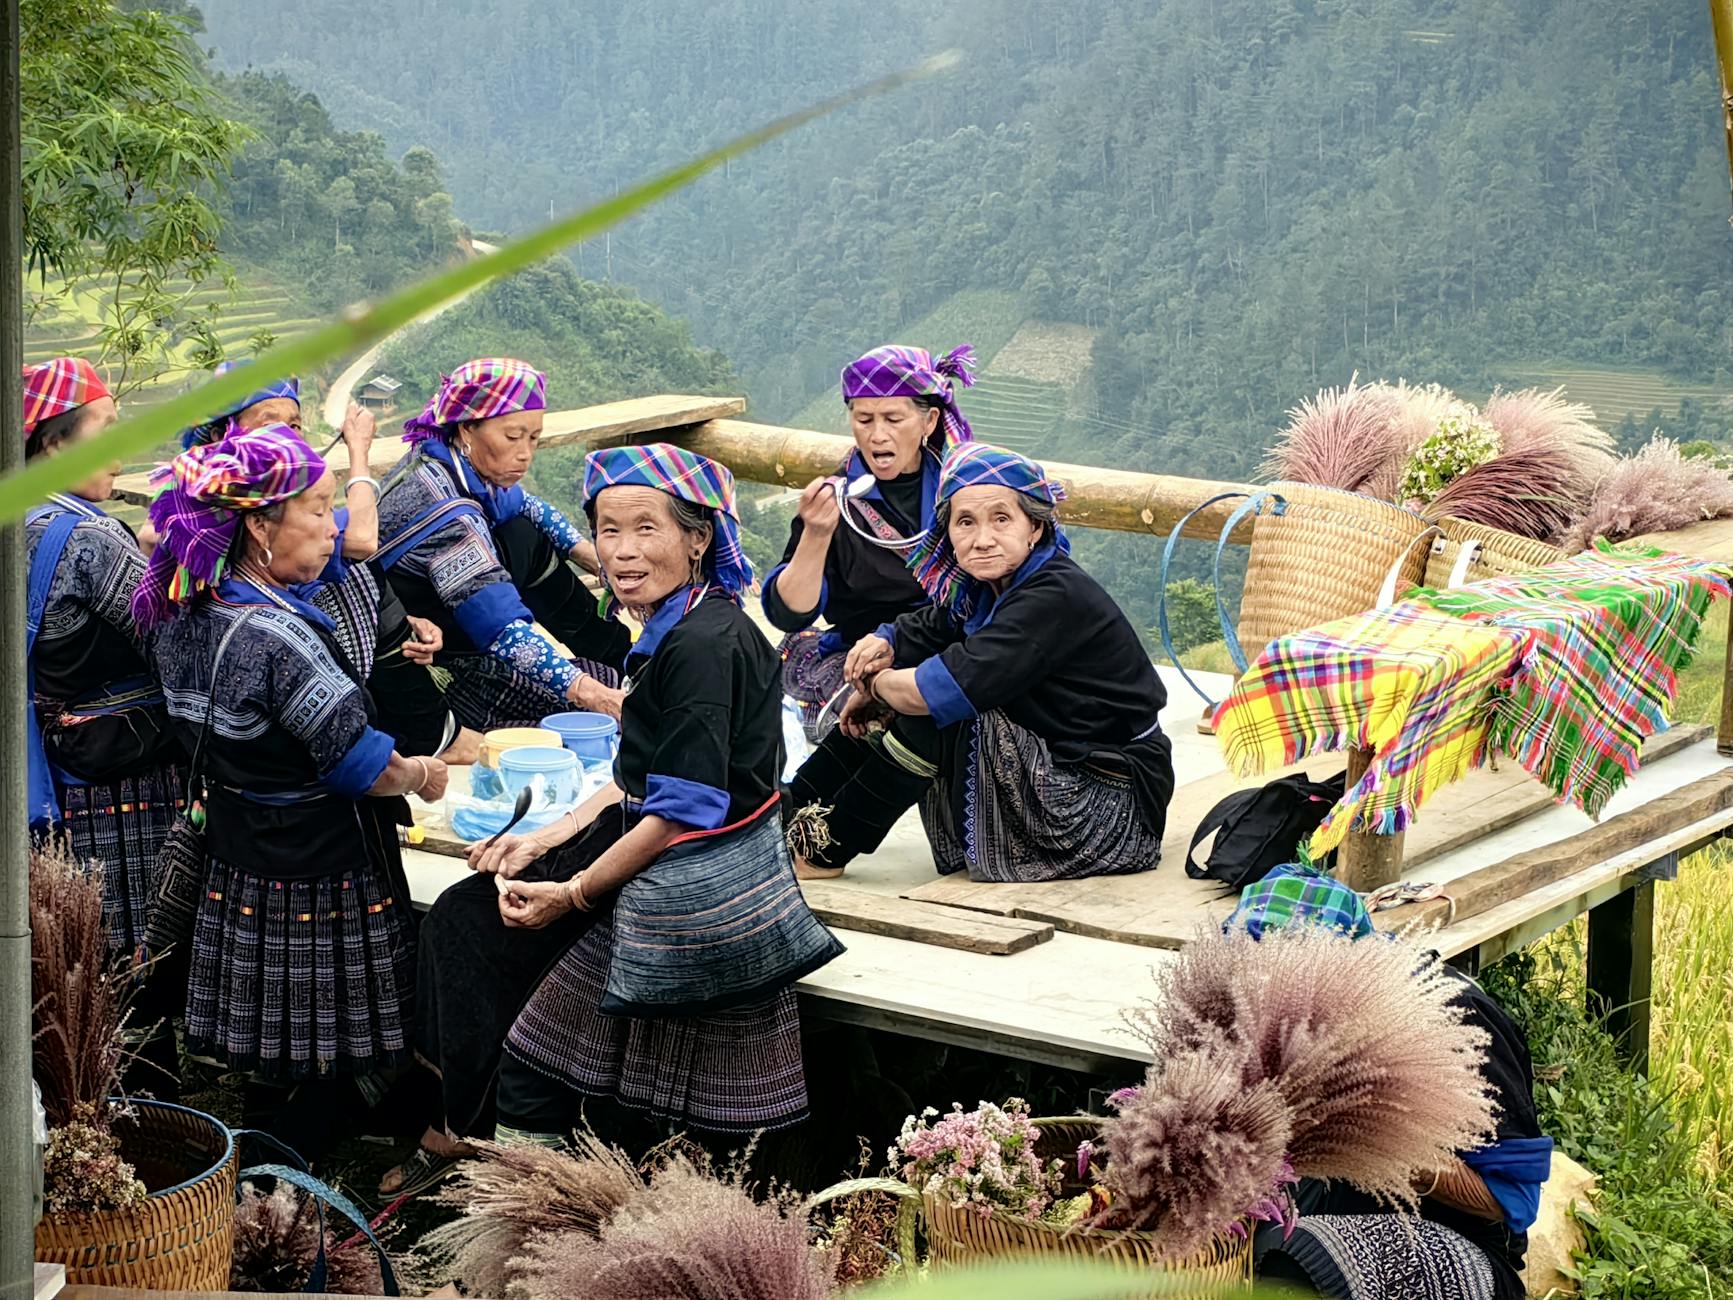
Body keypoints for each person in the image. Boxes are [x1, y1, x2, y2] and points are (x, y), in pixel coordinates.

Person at [386, 443, 836, 1195]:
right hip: (669, 845)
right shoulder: (679, 628)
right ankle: (475, 1147)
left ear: (697, 539)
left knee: (532, 1056)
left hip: (696, 884)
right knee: (464, 918)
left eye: (646, 529)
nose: (623, 551)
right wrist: (548, 835)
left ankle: (528, 1209)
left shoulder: (701, 648)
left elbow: (678, 813)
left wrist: (574, 893)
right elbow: (637, 771)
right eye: (608, 530)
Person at [135, 426, 449, 1145]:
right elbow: (362, 766)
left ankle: (267, 1165)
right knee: (338, 1032)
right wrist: (424, 773)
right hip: (320, 865)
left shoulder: (181, 612)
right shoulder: (278, 638)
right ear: (258, 523)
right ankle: (271, 1184)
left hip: (243, 848)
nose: (331, 526)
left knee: (280, 1025)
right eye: (318, 507)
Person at [785, 442, 1175, 883]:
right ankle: (787, 815)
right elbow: (933, 624)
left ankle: (824, 850)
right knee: (907, 700)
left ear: (1034, 528)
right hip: (1065, 771)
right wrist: (886, 641)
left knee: (935, 711)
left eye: (1001, 519)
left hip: (1106, 804)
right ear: (948, 532)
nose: (982, 538)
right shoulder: (985, 586)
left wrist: (875, 688)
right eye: (965, 522)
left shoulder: (1051, 596)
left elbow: (933, 691)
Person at [1233, 865, 1553, 1300]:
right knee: (1234, 1241)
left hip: (1452, 1242)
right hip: (1334, 1209)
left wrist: (1383, 1149)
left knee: (1298, 1256)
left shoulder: (1454, 1019)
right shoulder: (1286, 1022)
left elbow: (1514, 1201)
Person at [179, 360, 476, 762]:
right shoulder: (217, 511)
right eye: (269, 423)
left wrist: (405, 621)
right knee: (356, 561)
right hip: (274, 681)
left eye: (295, 425)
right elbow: (361, 538)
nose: (287, 436)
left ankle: (422, 734)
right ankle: (418, 742)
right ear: (220, 435)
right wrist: (358, 450)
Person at [22, 358, 183, 960]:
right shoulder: (90, 537)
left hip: (56, 773)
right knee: (136, 958)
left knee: (76, 957)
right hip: (123, 785)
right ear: (55, 443)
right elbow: (175, 642)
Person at [375, 358, 630, 732]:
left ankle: (621, 655)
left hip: (451, 610)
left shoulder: (446, 458)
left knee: (523, 533)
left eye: (533, 438)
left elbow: (525, 504)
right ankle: (615, 668)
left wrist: (594, 559)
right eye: (512, 437)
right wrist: (593, 694)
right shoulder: (448, 517)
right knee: (587, 694)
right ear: (467, 430)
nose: (526, 452)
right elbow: (504, 631)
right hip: (432, 648)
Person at [763, 344, 974, 742]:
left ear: (929, 421)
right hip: (861, 653)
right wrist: (816, 534)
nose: (877, 435)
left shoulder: (961, 491)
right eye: (864, 419)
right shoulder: (836, 501)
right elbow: (789, 615)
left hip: (950, 642)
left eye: (894, 419)